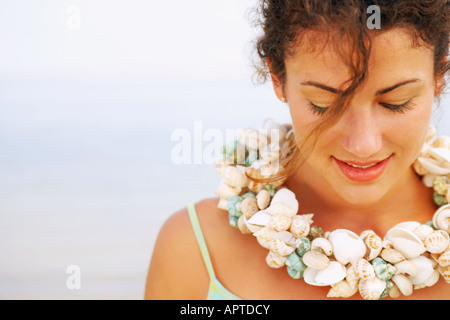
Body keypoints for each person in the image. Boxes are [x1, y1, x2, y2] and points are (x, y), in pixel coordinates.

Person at [145, 0, 450, 300]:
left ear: (439, 74)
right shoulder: (195, 249)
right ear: (278, 77)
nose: (363, 145)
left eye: (397, 102)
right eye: (324, 104)